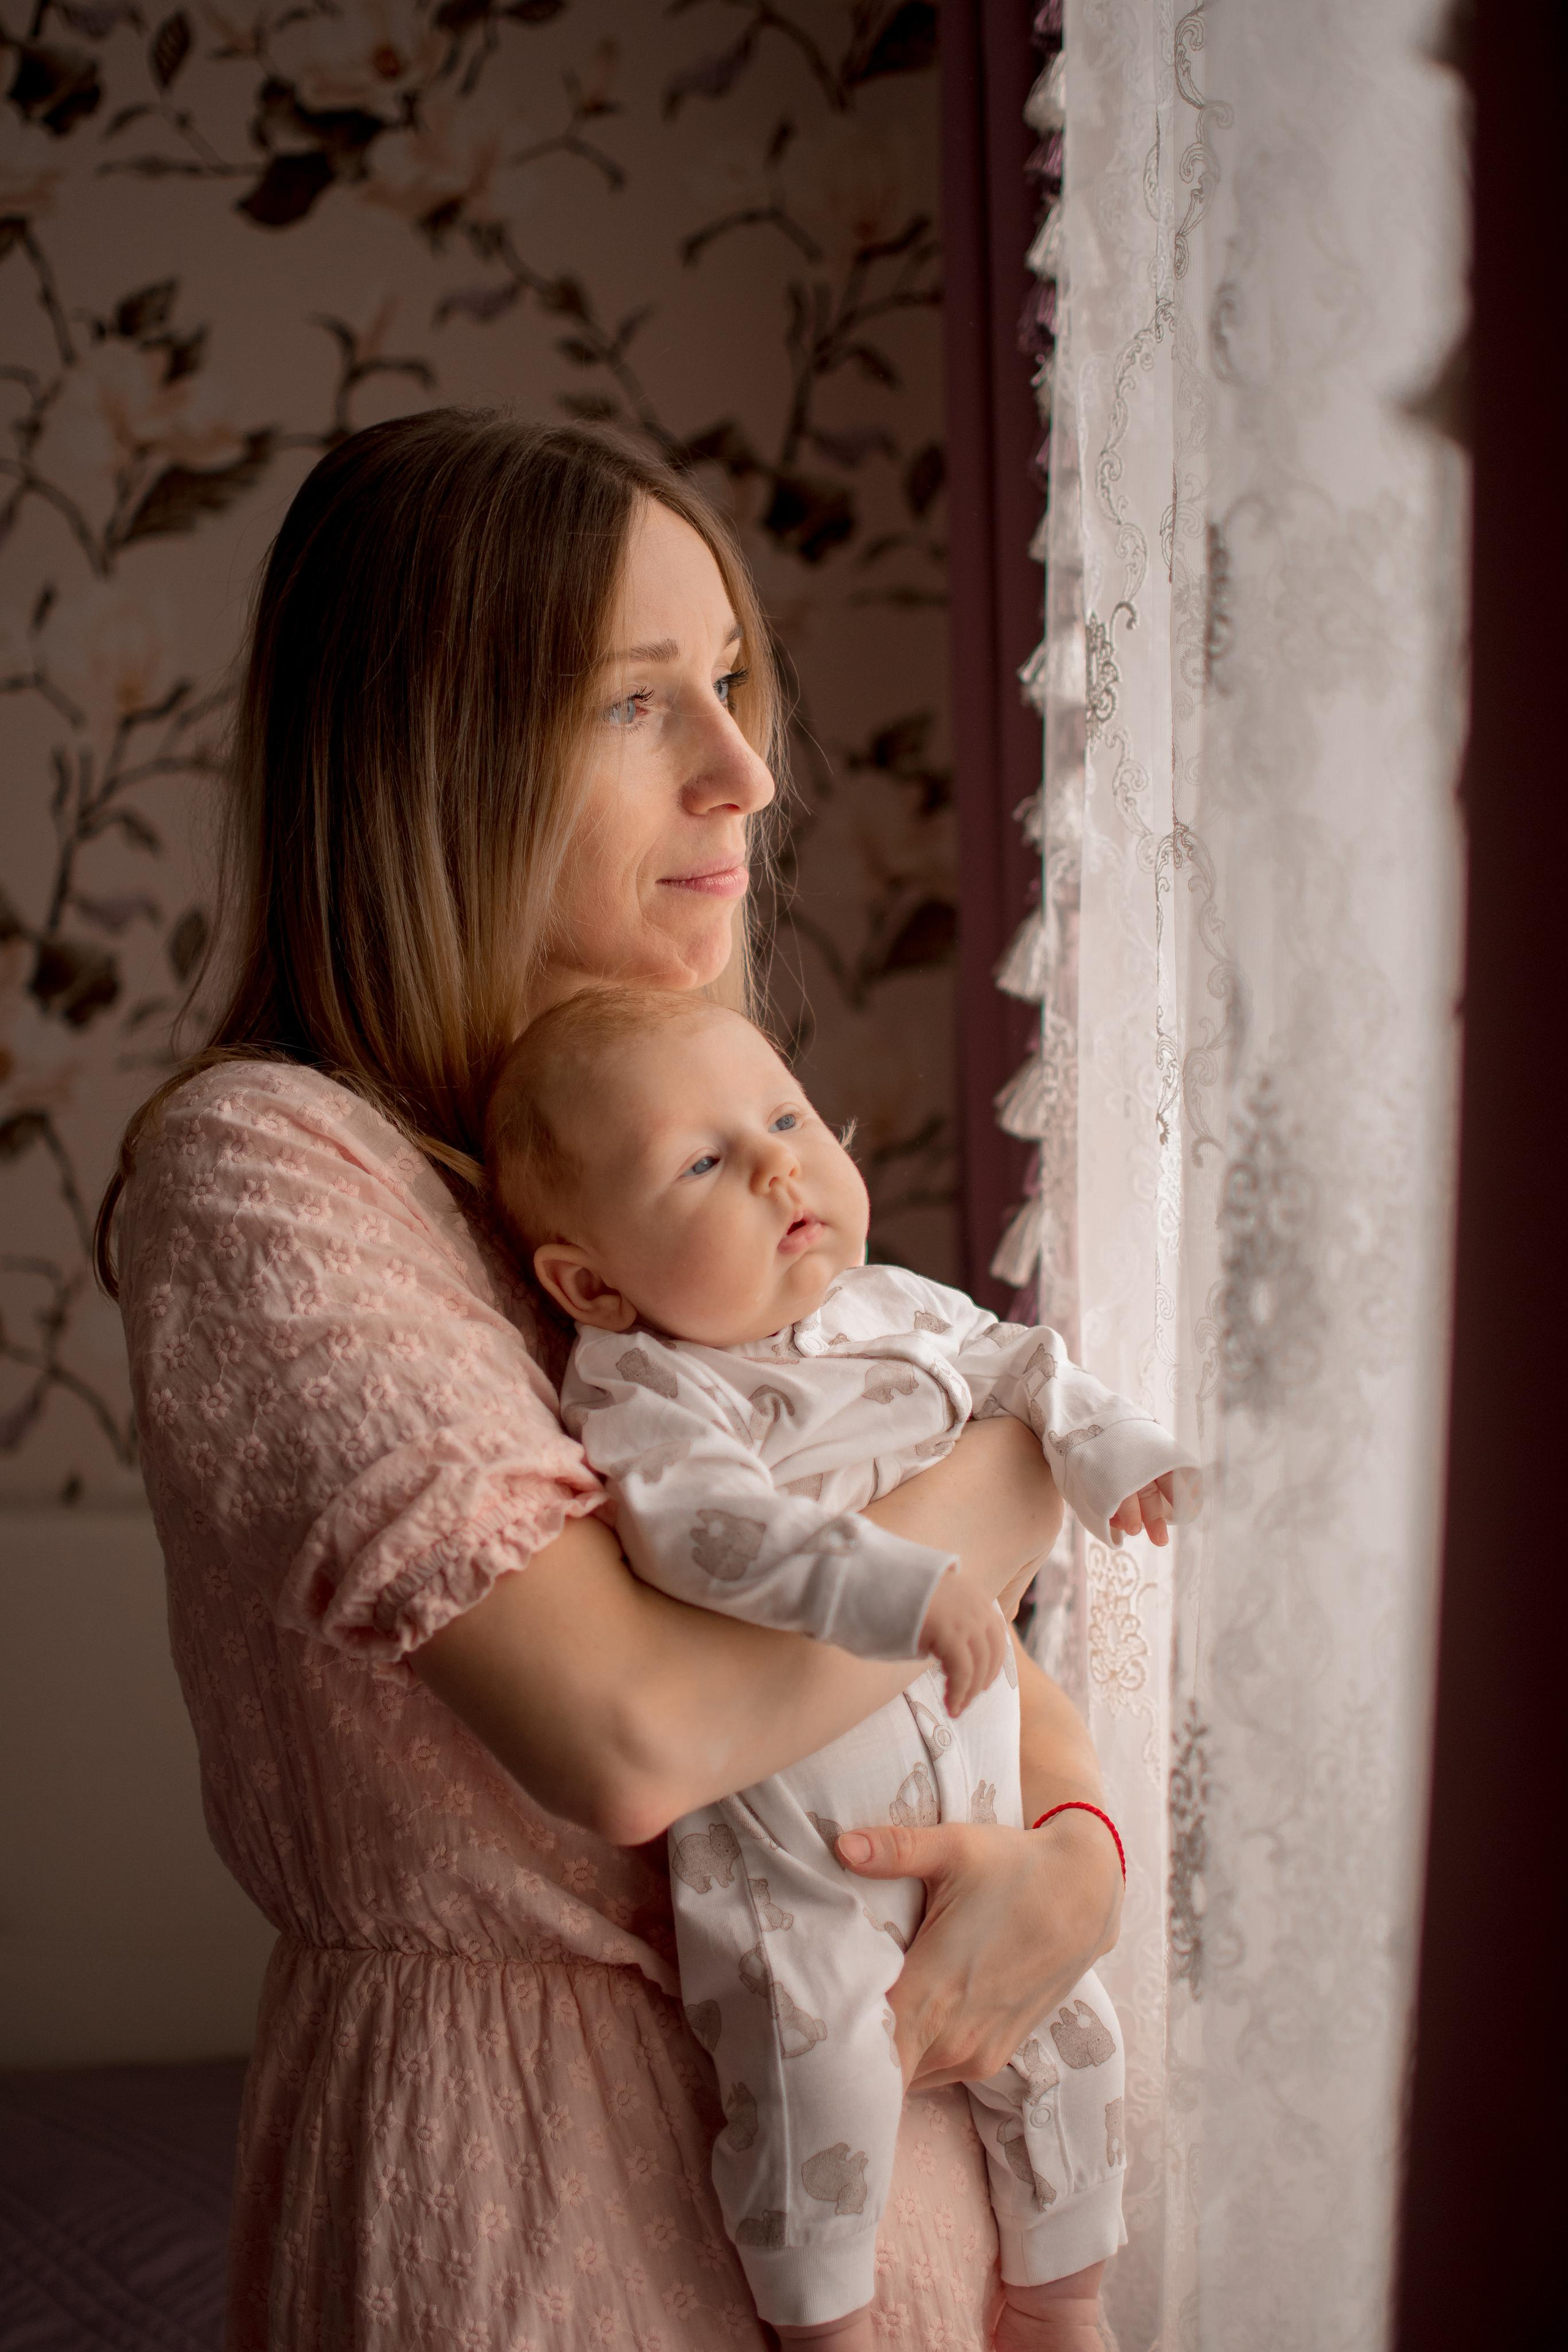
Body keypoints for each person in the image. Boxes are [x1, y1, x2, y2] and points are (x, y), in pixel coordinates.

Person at [97, 410, 1128, 2350]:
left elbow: (1017, 1721)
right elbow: (635, 1735)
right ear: (439, 761)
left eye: (731, 684)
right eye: (641, 704)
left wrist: (1071, 1869)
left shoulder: (709, 1200)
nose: (749, 770)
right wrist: (1016, 1468)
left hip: (903, 2193)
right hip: (535, 2202)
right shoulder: (273, 1170)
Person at [485, 986, 1193, 2351]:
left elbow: (1024, 1366)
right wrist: (904, 1579)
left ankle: (1060, 2301)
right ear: (592, 1281)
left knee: (1073, 2053)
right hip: (801, 1868)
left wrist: (1119, 1458)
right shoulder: (650, 1388)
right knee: (816, 2078)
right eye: (701, 1163)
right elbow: (710, 1534)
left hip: (978, 1829)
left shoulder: (891, 1307)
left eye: (783, 1116)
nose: (775, 1165)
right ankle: (825, 2327)